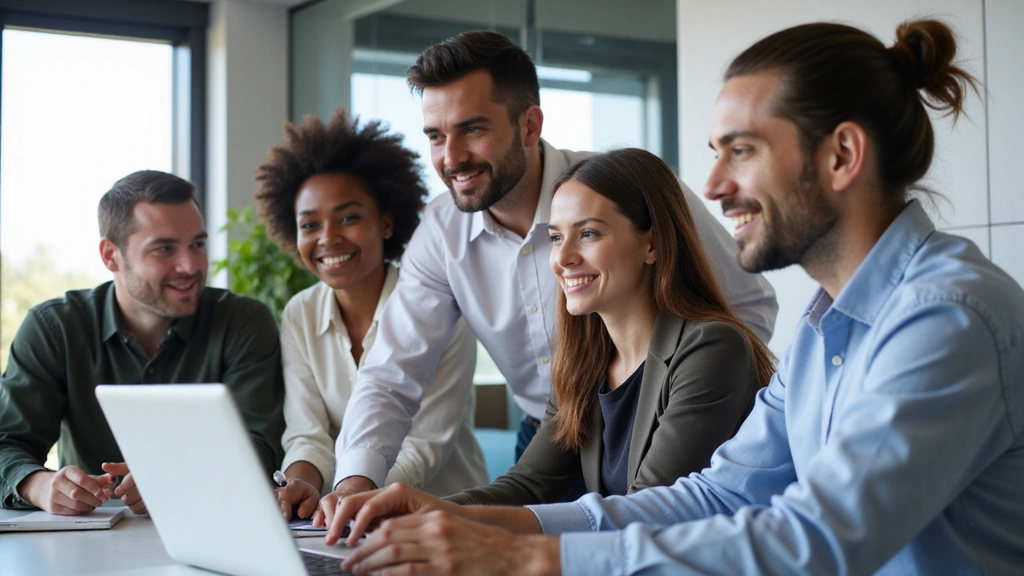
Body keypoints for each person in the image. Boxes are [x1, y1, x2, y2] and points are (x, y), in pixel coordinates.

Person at [327, 19, 1024, 575]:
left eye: (742, 151)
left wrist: (528, 559)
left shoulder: (944, 318)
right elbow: (713, 496)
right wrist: (467, 523)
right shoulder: (823, 328)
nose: (715, 185)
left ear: (841, 156)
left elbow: (816, 543)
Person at [324, 29, 778, 511]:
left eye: (472, 129)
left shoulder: (623, 188)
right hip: (562, 420)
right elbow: (392, 373)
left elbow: (746, 305)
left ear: (529, 125)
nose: (451, 157)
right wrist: (365, 489)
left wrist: (684, 389)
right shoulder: (442, 233)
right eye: (436, 136)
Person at [446, 148, 773, 507]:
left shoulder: (712, 349)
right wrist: (423, 512)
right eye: (556, 237)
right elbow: (529, 486)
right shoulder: (583, 360)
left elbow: (647, 510)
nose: (562, 258)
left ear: (653, 244)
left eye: (588, 233)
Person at [0, 170, 285, 516]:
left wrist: (183, 478)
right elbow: (7, 443)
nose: (191, 265)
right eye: (164, 248)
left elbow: (261, 445)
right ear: (111, 255)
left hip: (211, 525)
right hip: (89, 545)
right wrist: (39, 485)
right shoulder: (54, 328)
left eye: (197, 244)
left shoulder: (242, 323)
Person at [252, 109, 487, 520]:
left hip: (446, 513)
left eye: (348, 217)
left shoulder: (443, 307)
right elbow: (307, 433)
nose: (328, 239)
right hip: (343, 518)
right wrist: (302, 482)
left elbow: (427, 444)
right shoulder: (300, 315)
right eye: (310, 225)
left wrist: (356, 491)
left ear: (386, 222)